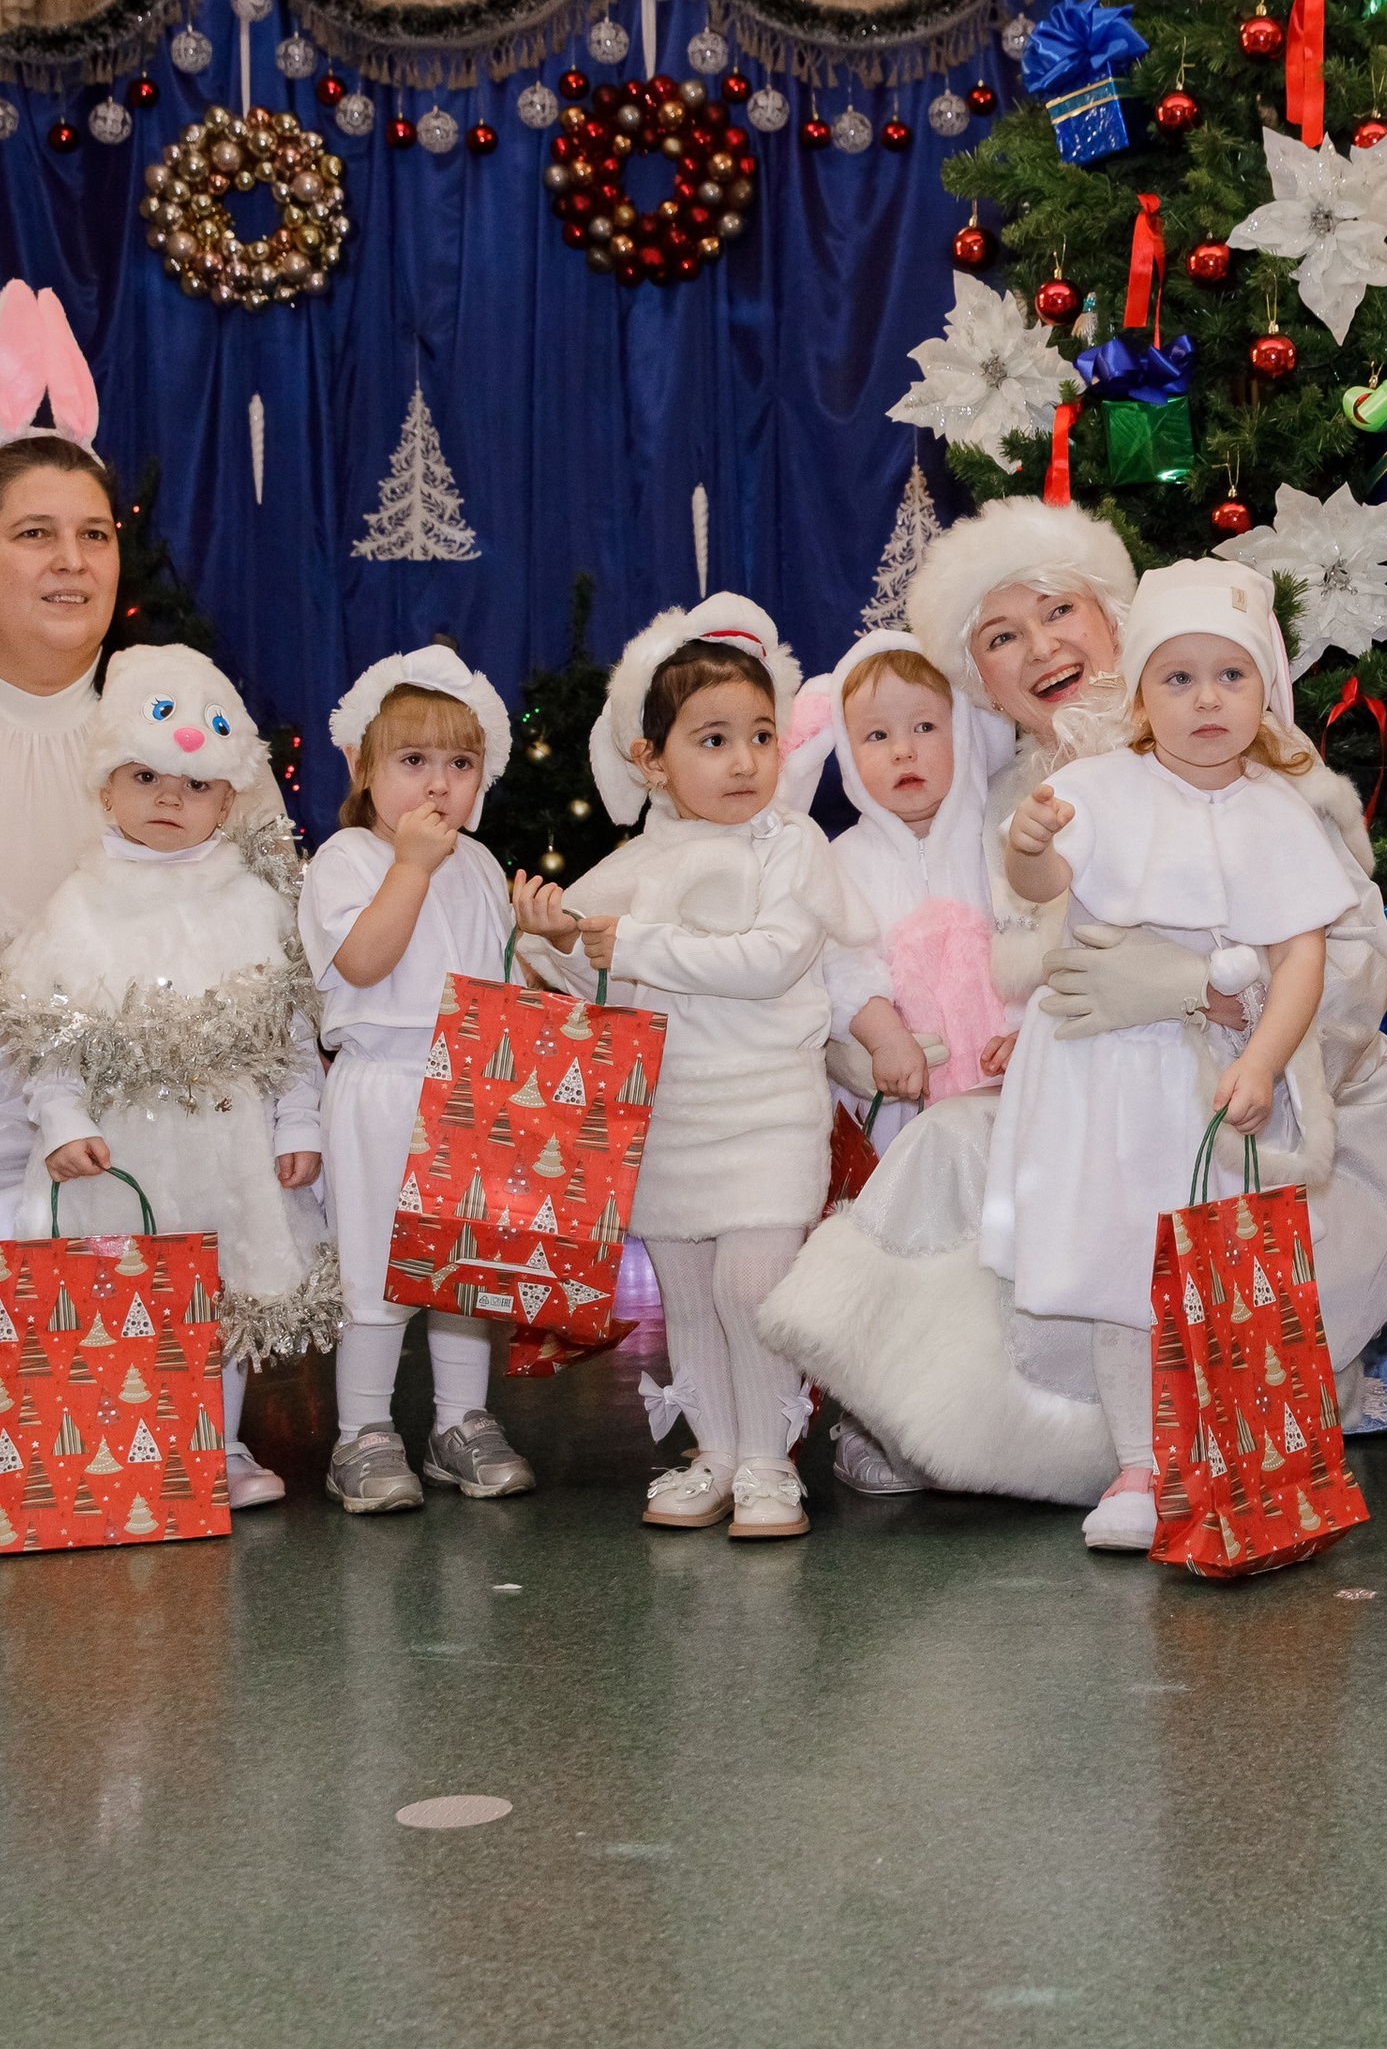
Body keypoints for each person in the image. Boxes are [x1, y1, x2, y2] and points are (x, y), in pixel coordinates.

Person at [758, 495, 1387, 1509]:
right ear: (978, 678)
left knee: (1081, 1189)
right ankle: (953, 1416)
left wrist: (1206, 1000)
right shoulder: (1012, 806)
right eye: (1000, 636)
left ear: (1116, 618)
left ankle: (1114, 1438)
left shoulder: (1254, 760)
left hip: (1264, 1103)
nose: (1039, 647)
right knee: (949, 1145)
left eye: (1058, 610)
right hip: (1103, 1086)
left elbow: (1356, 972)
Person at [990, 559, 1355, 1550]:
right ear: (1142, 692)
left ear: (1265, 693)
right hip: (1112, 1073)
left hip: (1216, 1077)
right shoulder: (1096, 787)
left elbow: (1301, 958)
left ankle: (1230, 1456)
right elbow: (1040, 877)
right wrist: (1026, 839)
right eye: (1178, 676)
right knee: (1125, 1273)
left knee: (1223, 1272)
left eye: (1230, 676)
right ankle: (1139, 1468)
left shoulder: (1281, 812)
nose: (1205, 700)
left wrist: (1266, 1062)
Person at [512, 594, 866, 1542]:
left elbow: (767, 960)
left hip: (766, 1111)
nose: (745, 759)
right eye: (713, 739)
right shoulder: (640, 857)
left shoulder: (794, 845)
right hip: (667, 1119)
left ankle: (769, 1461)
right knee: (689, 1294)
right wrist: (550, 935)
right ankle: (714, 1450)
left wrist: (621, 944)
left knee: (754, 1283)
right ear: (651, 760)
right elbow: (562, 963)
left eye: (761, 734)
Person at [1, 646, 332, 1509]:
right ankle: (112, 1444)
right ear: (105, 787)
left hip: (227, 1150)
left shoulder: (256, 901)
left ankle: (214, 1447)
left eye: (193, 785)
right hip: (119, 1158)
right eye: (144, 776)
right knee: (122, 1296)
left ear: (227, 800)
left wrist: (300, 1121)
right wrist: (64, 1116)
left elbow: (289, 1024)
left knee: (213, 1305)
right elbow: (45, 1033)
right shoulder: (78, 903)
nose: (167, 800)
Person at [299, 646, 537, 1513]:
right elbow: (363, 961)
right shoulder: (350, 859)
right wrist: (409, 867)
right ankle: (362, 1432)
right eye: (412, 761)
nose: (438, 786)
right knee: (376, 1271)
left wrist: (535, 934)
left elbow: (505, 986)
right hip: (384, 1088)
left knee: (464, 1271)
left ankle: (459, 1422)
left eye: (460, 763)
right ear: (363, 771)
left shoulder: (477, 865)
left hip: (470, 1088)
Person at [782, 628, 1013, 1497]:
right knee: (897, 1258)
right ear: (847, 756)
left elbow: (1031, 943)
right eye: (875, 737)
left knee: (993, 1264)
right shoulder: (846, 860)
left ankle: (996, 1420)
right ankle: (874, 1422)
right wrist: (882, 1034)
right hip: (901, 1107)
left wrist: (1024, 1028)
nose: (903, 752)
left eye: (925, 728)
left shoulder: (996, 838)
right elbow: (844, 962)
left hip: (1002, 1096)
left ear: (965, 734)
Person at [0, 287, 119, 1190]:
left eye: (94, 535)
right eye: (34, 534)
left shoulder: (177, 726)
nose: (71, 563)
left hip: (124, 1144)